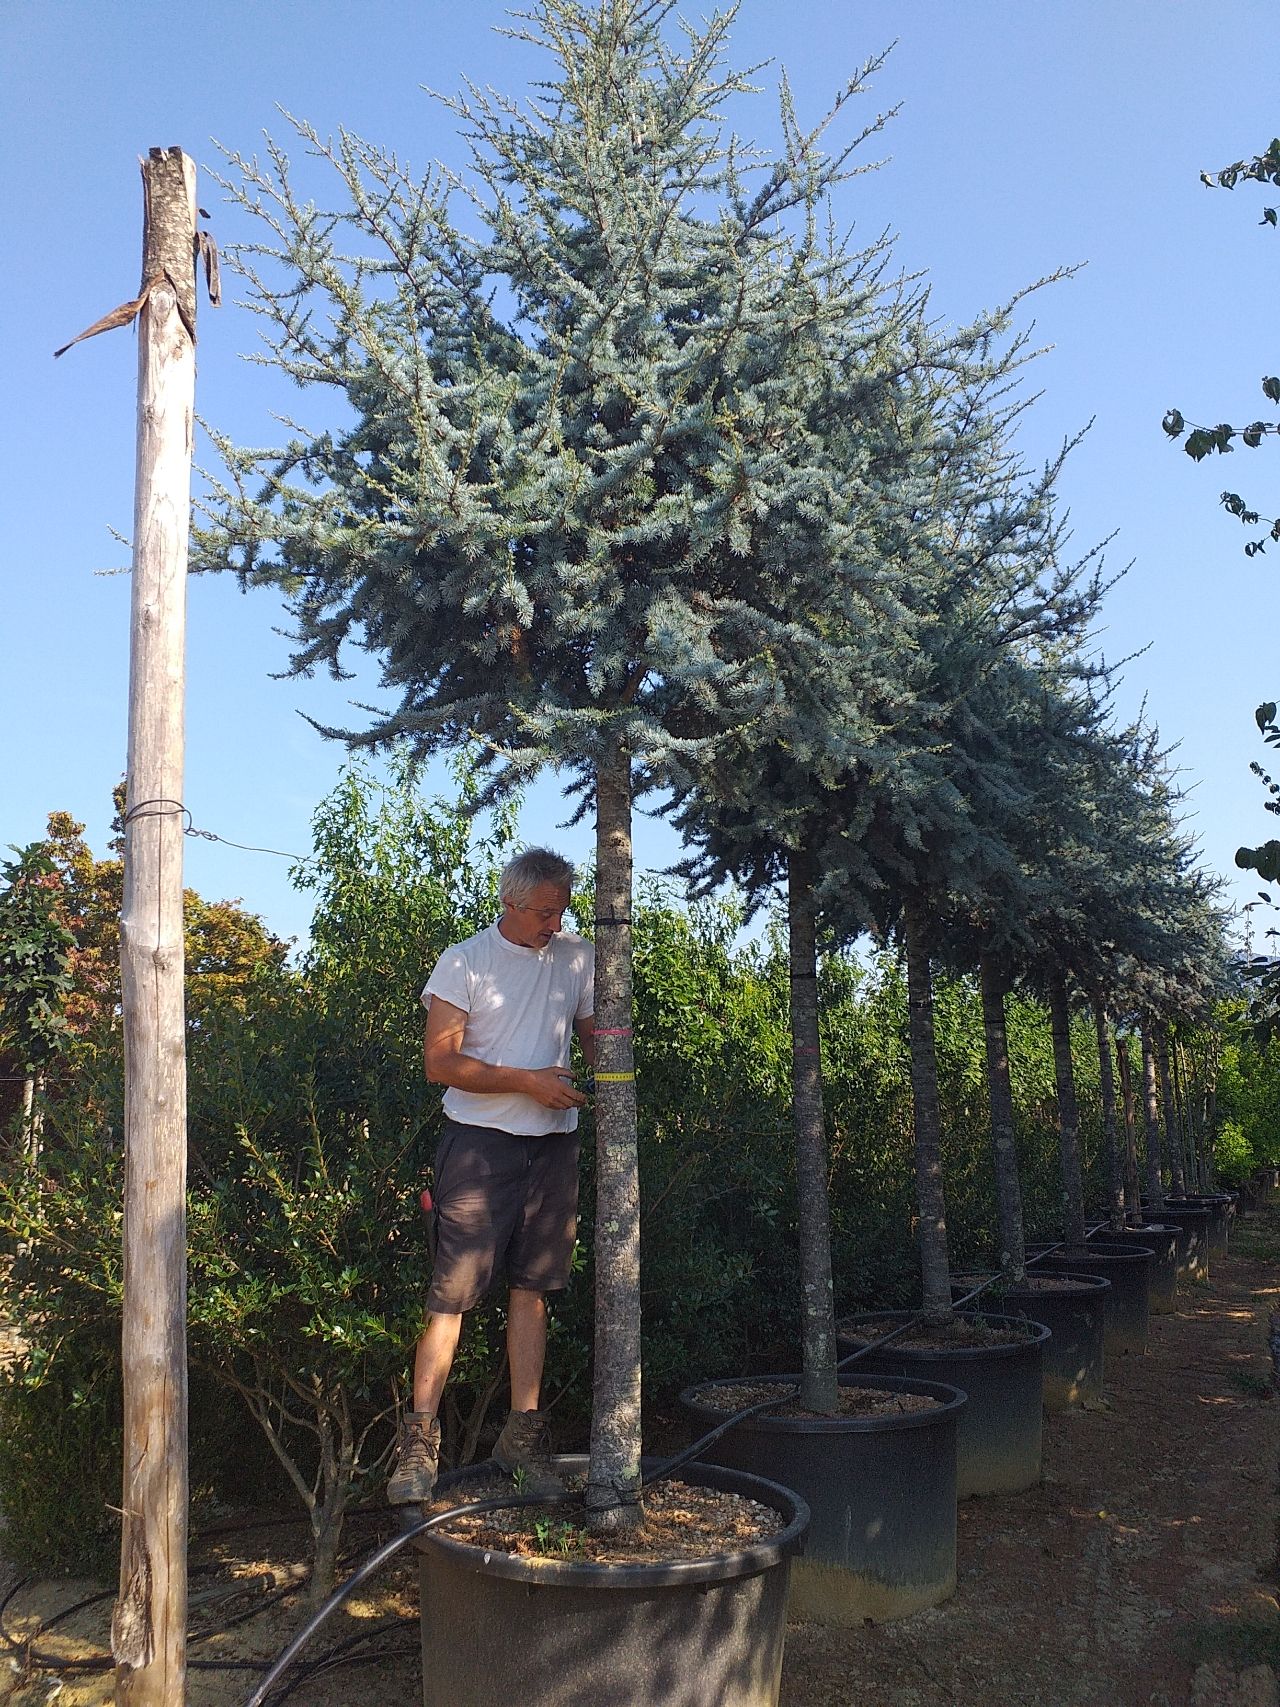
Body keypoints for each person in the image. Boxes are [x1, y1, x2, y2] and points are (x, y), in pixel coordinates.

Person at [387, 847, 595, 1505]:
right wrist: (525, 1082)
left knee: (533, 1290)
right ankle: (418, 1445)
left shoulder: (577, 956)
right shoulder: (465, 959)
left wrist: (606, 1075)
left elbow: (596, 1038)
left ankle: (522, 1436)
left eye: (560, 911)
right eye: (542, 911)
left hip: (553, 1149)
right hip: (479, 1146)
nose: (552, 923)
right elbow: (439, 1062)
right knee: (451, 1295)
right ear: (509, 901)